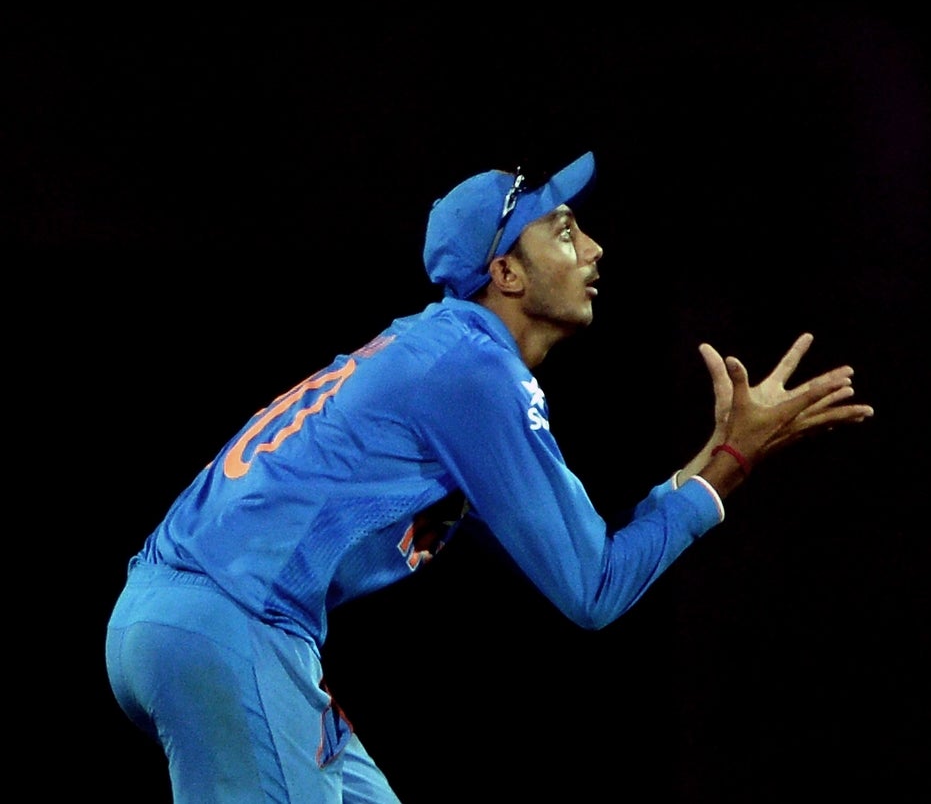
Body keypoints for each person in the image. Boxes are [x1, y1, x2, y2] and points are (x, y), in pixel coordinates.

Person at [104, 150, 874, 802]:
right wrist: (730, 465)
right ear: (505, 272)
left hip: (184, 620)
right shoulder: (474, 372)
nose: (594, 248)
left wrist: (719, 457)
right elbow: (595, 589)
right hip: (229, 626)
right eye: (564, 231)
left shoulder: (444, 355)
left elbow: (580, 556)